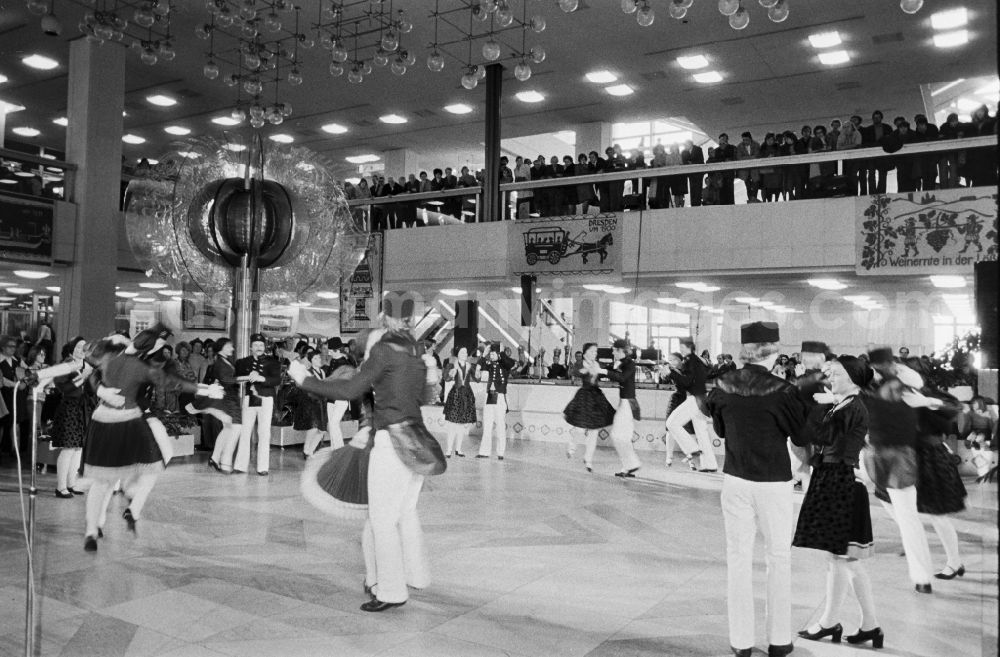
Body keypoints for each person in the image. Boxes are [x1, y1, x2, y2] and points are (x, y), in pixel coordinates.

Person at [288, 300, 445, 612]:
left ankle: (390, 591)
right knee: (404, 514)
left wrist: (304, 379)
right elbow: (425, 396)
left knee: (382, 521)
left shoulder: (384, 349)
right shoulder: (417, 351)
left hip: (391, 443)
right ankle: (414, 573)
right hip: (418, 443)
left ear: (386, 317)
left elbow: (350, 390)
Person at [706, 321, 808, 657]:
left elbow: (719, 429)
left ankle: (741, 643)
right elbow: (800, 437)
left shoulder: (720, 385)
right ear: (774, 351)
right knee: (778, 558)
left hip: (735, 479)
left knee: (738, 558)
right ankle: (779, 641)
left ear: (745, 350)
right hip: (773, 483)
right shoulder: (784, 390)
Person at [81, 328, 221, 551]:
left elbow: (172, 381)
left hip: (123, 418)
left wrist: (204, 389)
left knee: (124, 472)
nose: (161, 345)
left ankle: (110, 517)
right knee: (115, 477)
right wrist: (101, 391)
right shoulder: (130, 359)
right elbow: (171, 382)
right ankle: (104, 518)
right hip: (127, 419)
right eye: (158, 341)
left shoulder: (132, 358)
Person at [794, 356, 882, 649]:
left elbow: (820, 436)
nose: (830, 377)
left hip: (840, 481)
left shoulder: (852, 407)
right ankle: (869, 626)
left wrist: (813, 405)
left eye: (837, 373)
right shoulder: (844, 405)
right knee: (845, 560)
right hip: (836, 479)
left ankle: (830, 622)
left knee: (840, 559)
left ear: (854, 378)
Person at [50, 337, 94, 498]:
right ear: (72, 349)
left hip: (81, 408)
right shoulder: (67, 364)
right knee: (68, 448)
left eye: (84, 347)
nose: (81, 350)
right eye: (78, 347)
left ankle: (71, 483)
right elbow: (63, 388)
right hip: (69, 407)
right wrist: (83, 377)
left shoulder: (86, 366)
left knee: (78, 448)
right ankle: (61, 487)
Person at [664, 339, 716, 472]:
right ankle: (710, 464)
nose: (680, 349)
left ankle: (692, 449)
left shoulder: (689, 361)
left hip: (694, 399)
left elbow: (686, 381)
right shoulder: (697, 361)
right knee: (701, 433)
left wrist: (672, 371)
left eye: (682, 347)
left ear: (689, 348)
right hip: (702, 399)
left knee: (672, 423)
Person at [233, 334, 281, 476]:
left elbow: (277, 380)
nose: (259, 348)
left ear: (264, 347)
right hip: (249, 398)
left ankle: (263, 467)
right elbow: (235, 378)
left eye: (261, 345)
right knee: (245, 431)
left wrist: (262, 378)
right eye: (256, 345)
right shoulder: (242, 362)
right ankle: (240, 466)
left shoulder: (273, 362)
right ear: (250, 347)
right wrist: (248, 376)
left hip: (266, 398)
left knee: (264, 433)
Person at [563, 343, 616, 472]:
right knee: (580, 429)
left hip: (596, 397)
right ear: (586, 352)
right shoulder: (581, 363)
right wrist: (585, 371)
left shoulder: (597, 364)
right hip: (584, 396)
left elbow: (608, 371)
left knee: (594, 430)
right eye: (592, 351)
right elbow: (574, 371)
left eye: (596, 351)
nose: (595, 354)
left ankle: (588, 460)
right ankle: (572, 447)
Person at [605, 339, 642, 478]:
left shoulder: (629, 364)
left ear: (621, 350)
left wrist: (603, 371)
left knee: (617, 435)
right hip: (625, 402)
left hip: (628, 403)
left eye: (614, 350)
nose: (613, 352)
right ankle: (628, 466)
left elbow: (621, 377)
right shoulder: (623, 363)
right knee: (623, 436)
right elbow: (611, 370)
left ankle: (632, 464)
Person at [477, 344, 515, 460]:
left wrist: (502, 352)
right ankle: (484, 452)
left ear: (499, 354)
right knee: (487, 424)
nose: (491, 355)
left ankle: (500, 452)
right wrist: (484, 354)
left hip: (500, 396)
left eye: (493, 353)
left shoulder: (506, 364)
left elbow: (510, 363)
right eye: (491, 353)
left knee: (500, 424)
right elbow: (480, 365)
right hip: (490, 395)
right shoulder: (490, 364)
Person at [443, 346, 476, 457]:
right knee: (452, 424)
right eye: (462, 352)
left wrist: (479, 371)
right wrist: (450, 373)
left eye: (466, 352)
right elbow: (446, 378)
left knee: (461, 425)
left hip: (466, 395)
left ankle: (458, 449)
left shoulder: (470, 366)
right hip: (456, 395)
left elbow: (477, 378)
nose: (465, 354)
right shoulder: (452, 365)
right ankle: (449, 450)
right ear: (458, 354)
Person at [296, 350, 329, 458]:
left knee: (322, 430)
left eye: (319, 358)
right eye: (315, 358)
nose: (318, 360)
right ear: (311, 361)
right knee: (313, 428)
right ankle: (307, 450)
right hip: (312, 404)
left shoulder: (323, 372)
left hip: (322, 403)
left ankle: (310, 450)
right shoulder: (308, 372)